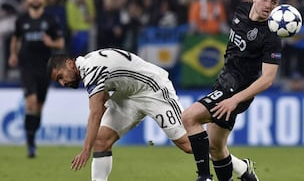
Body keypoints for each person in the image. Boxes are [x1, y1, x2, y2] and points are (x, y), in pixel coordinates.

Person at [47, 48, 245, 180]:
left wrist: (85, 150)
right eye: (58, 81)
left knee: (188, 145)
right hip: (128, 96)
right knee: (101, 140)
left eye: (61, 77)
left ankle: (242, 168)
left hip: (154, 90)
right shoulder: (88, 64)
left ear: (69, 63)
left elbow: (95, 114)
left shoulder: (90, 69)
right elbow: (105, 94)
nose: (63, 82)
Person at [181, 0, 283, 181]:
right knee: (216, 147)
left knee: (189, 118)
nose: (269, 5)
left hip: (237, 91)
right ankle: (245, 171)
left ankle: (204, 177)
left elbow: (267, 80)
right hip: (223, 81)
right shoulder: (241, 10)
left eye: (274, 2)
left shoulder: (271, 36)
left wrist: (235, 99)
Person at [7, 0, 65, 158]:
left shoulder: (51, 20)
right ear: (28, 0)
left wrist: (51, 43)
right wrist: (13, 54)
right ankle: (30, 144)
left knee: (38, 107)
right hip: (27, 67)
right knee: (30, 103)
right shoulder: (21, 20)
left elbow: (60, 43)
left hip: (44, 68)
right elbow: (16, 38)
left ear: (43, 0)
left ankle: (32, 137)